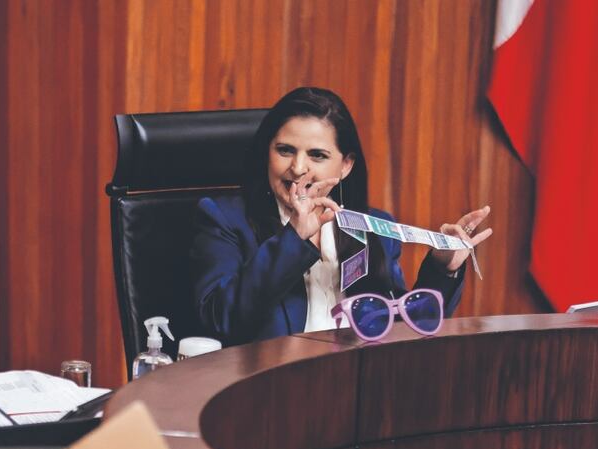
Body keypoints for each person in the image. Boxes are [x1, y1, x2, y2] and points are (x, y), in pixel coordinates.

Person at [190, 87, 493, 345]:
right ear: (266, 153)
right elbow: (220, 319)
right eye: (284, 150)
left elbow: (401, 330)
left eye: (317, 155)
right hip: (268, 395)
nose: (297, 168)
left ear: (346, 165)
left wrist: (442, 270)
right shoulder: (225, 219)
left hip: (354, 391)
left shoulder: (371, 227)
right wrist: (294, 238)